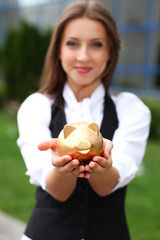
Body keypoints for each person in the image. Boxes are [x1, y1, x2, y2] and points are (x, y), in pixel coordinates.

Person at [17, 1, 151, 239]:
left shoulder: (131, 110)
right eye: (72, 43)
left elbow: (106, 186)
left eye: (96, 45)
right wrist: (62, 169)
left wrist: (103, 164)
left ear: (110, 51)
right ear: (58, 50)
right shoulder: (37, 106)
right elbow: (58, 192)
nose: (83, 56)